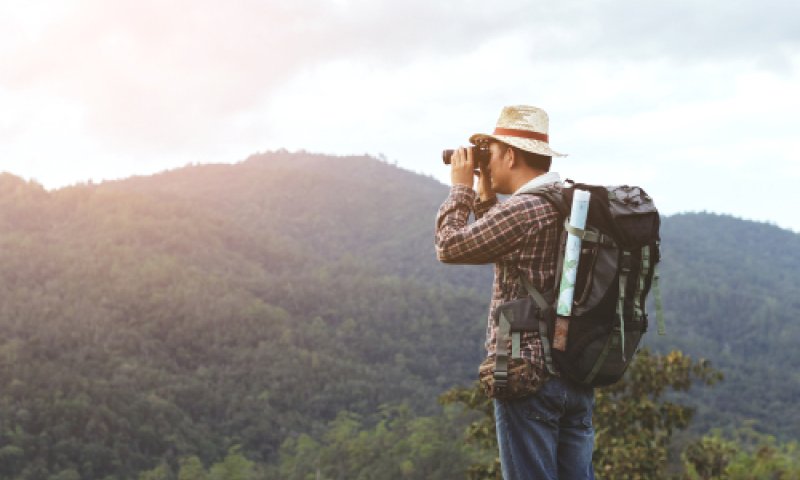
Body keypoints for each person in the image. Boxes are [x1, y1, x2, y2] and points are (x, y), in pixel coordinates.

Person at [435, 105, 595, 479]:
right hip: (575, 375)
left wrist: (460, 189)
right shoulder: (567, 202)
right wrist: (486, 197)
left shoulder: (525, 209)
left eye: (488, 155)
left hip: (527, 373)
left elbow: (449, 246)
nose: (484, 164)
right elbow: (509, 247)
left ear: (509, 154)